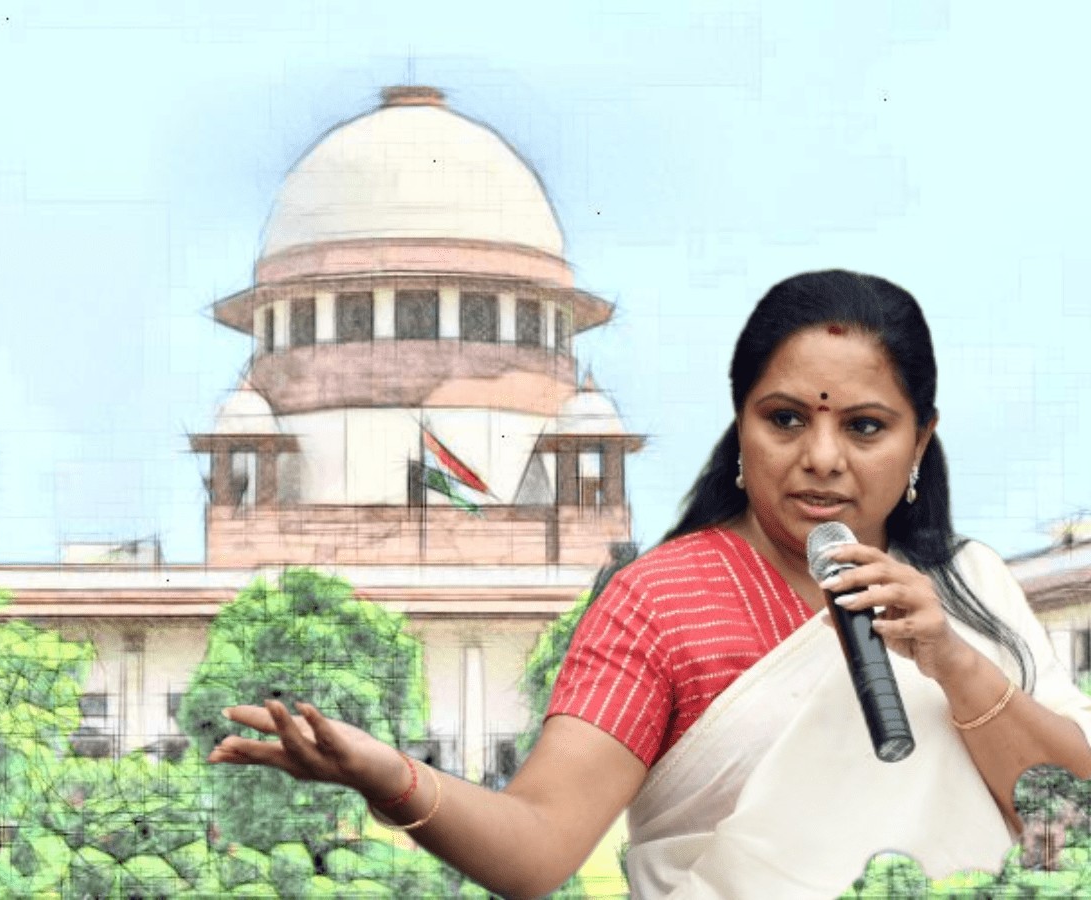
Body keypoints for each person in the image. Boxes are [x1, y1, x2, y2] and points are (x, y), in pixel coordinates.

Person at [209, 270, 1091, 899]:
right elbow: (538, 847)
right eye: (786, 419)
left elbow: (1072, 815)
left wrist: (951, 659)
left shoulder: (969, 586)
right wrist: (389, 776)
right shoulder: (661, 600)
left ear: (920, 440)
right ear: (742, 425)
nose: (822, 458)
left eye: (865, 427)